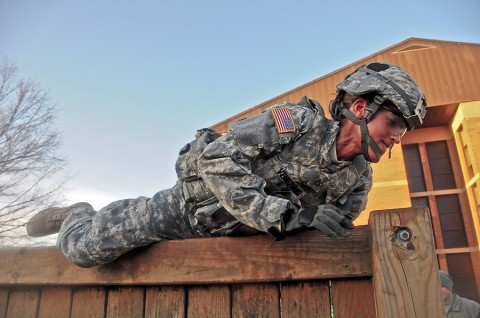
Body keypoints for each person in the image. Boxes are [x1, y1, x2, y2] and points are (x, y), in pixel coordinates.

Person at [27, 62, 427, 268]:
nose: (396, 137)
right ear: (360, 107)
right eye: (393, 123)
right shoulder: (296, 123)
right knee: (82, 251)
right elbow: (217, 158)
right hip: (188, 211)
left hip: (241, 246)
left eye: (403, 131)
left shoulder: (357, 181)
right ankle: (78, 215)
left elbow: (330, 237)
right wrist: (287, 215)